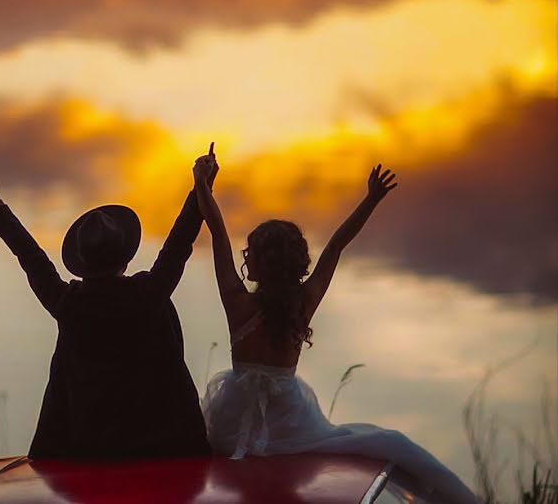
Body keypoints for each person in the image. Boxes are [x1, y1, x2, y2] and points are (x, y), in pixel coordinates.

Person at [193, 156, 480, 504]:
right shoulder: (304, 302)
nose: (244, 256)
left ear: (261, 262)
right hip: (289, 424)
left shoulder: (236, 302)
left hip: (233, 424)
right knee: (385, 441)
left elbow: (217, 230)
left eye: (250, 252)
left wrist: (203, 181)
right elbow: (336, 245)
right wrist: (370, 200)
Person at [0, 150, 216, 460]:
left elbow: (30, 258)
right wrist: (201, 187)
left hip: (90, 446)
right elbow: (180, 243)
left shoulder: (69, 304)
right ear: (125, 256)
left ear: (82, 261)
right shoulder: (148, 293)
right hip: (165, 442)